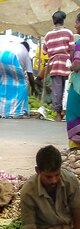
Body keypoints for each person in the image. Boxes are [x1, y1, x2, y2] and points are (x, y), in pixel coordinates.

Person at [20, 145, 80, 229]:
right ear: (38, 171)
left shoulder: (71, 181)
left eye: (57, 175)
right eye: (48, 177)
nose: (54, 180)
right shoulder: (28, 191)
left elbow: (77, 215)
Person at [44, 11, 75, 121]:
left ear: (53, 21)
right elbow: (72, 49)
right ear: (63, 20)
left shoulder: (48, 35)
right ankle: (65, 111)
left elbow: (44, 51)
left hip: (54, 64)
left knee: (57, 89)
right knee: (67, 88)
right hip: (66, 63)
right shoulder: (68, 32)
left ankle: (57, 113)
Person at [0, 41, 36, 118]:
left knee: (0, 81)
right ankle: (16, 111)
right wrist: (33, 87)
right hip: (11, 57)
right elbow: (29, 73)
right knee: (21, 83)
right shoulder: (25, 52)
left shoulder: (13, 45)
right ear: (27, 49)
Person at [66, 14, 80, 147]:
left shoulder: (79, 44)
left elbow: (77, 65)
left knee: (73, 111)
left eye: (77, 22)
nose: (75, 25)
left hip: (78, 86)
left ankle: (76, 146)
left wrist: (70, 66)